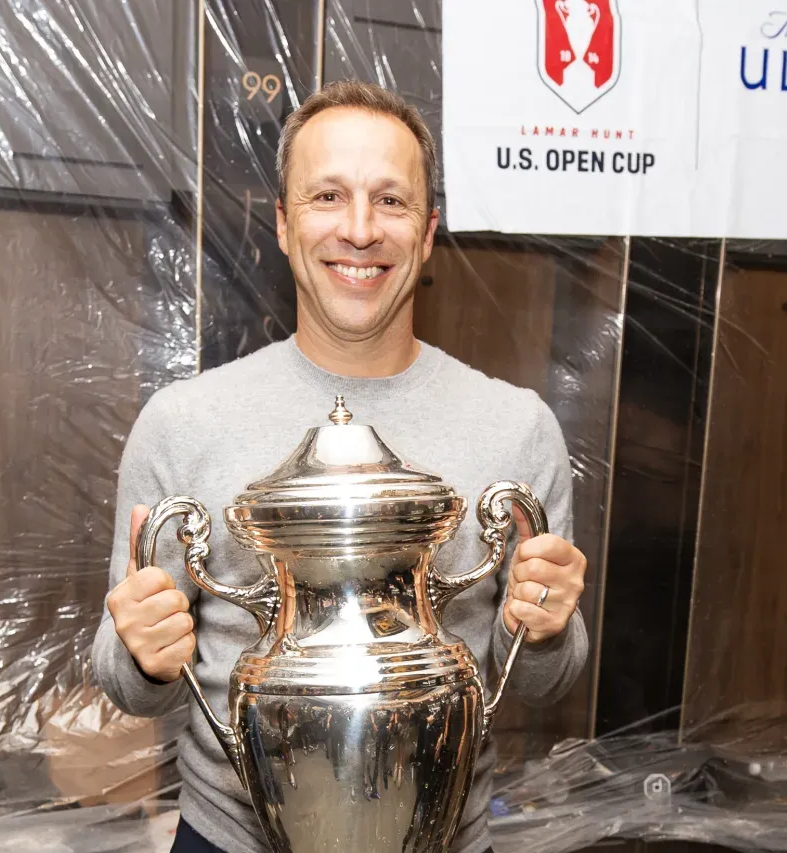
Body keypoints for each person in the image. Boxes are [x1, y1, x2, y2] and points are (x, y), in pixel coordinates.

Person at [92, 80, 590, 853]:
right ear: (286, 226)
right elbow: (124, 682)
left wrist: (549, 629)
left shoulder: (518, 427)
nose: (359, 230)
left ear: (427, 234)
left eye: (390, 202)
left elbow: (543, 681)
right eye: (328, 195)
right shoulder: (182, 423)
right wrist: (143, 653)